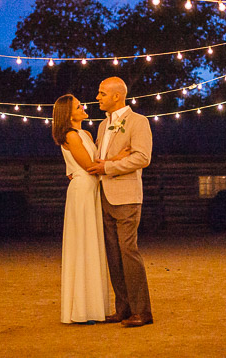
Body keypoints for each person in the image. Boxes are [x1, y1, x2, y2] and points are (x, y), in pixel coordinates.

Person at [52, 94, 131, 325]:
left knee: (94, 243)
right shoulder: (69, 136)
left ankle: (93, 306)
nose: (83, 107)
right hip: (83, 191)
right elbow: (89, 166)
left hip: (93, 190)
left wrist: (109, 159)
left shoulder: (86, 134)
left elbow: (97, 159)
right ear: (68, 114)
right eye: (78, 106)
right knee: (83, 243)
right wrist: (120, 157)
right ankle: (81, 309)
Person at [86, 77, 153, 327]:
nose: (97, 97)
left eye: (102, 93)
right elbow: (98, 158)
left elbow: (142, 158)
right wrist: (109, 161)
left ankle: (143, 312)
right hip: (104, 196)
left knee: (128, 252)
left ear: (117, 96)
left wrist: (109, 166)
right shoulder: (103, 126)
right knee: (113, 255)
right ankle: (123, 309)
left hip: (126, 197)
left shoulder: (138, 122)